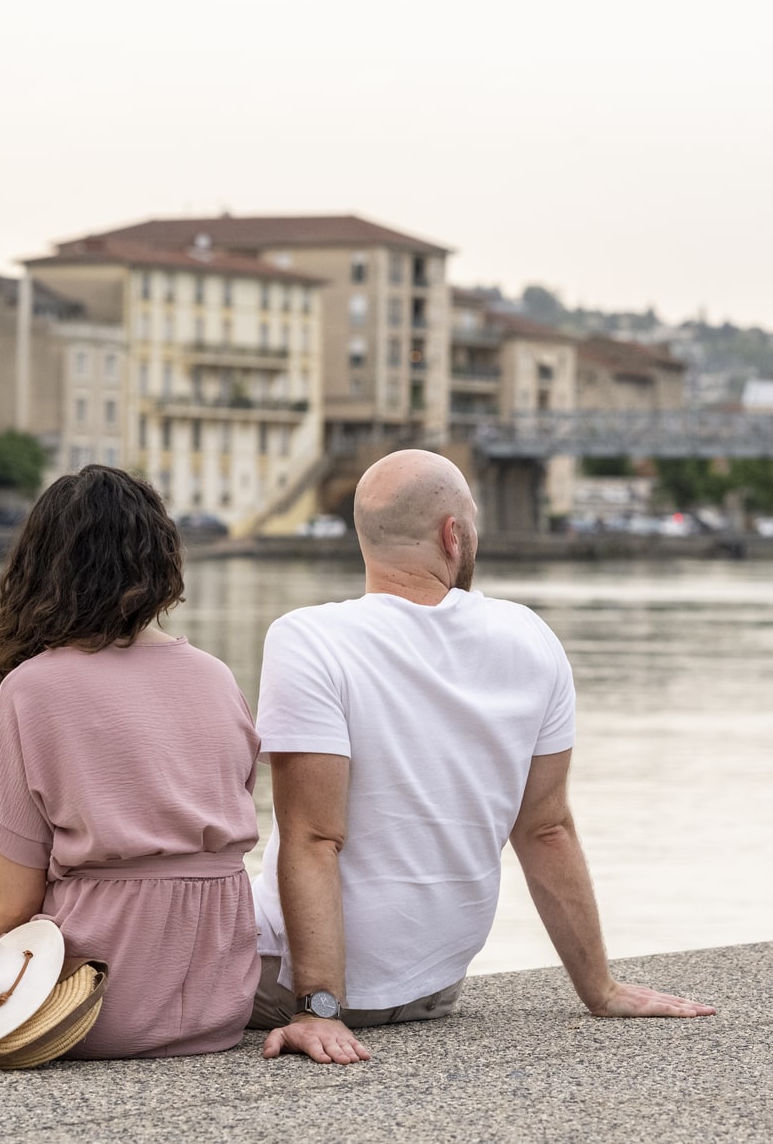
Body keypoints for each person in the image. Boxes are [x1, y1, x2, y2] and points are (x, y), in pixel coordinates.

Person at [250, 449, 715, 1064]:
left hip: (299, 985)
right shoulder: (532, 639)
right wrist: (600, 989)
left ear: (363, 538)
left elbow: (313, 837)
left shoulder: (309, 638)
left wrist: (321, 1007)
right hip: (435, 989)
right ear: (454, 534)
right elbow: (546, 829)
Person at [0, 466, 262, 1059]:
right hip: (219, 996)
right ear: (162, 563)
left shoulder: (33, 688)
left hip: (93, 997)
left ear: (41, 568)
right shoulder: (216, 676)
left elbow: (7, 908)